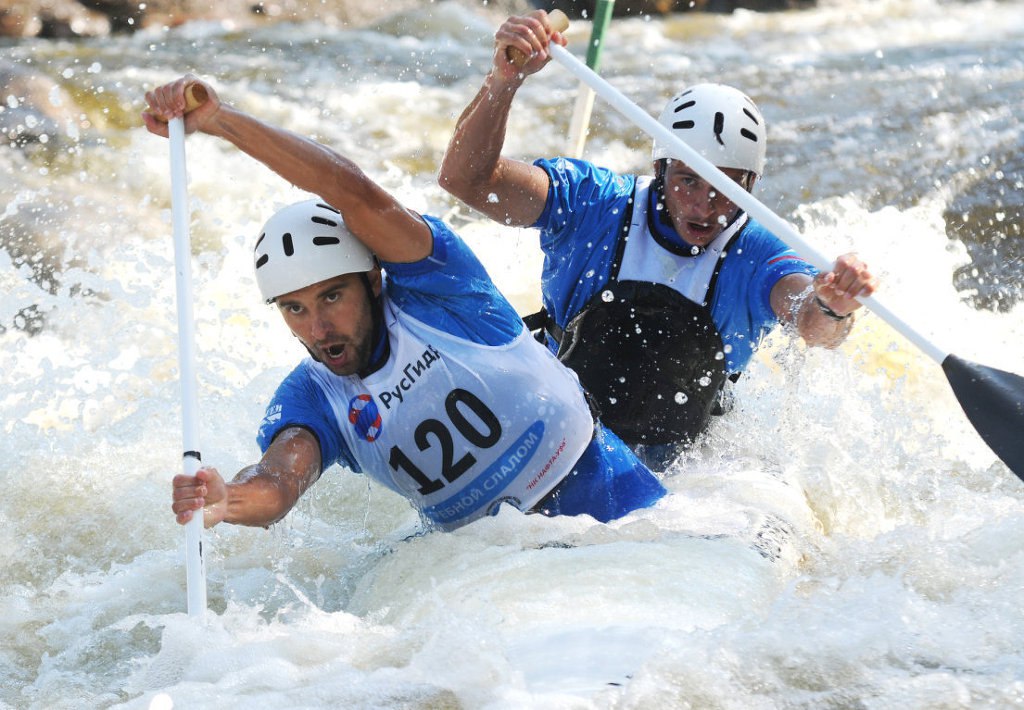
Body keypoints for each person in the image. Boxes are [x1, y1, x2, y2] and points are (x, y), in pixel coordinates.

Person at [142, 75, 666, 533]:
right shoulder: (314, 396)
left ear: (372, 280)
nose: (319, 327)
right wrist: (227, 500)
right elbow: (278, 481)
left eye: (331, 296)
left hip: (619, 513)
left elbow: (353, 193)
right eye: (294, 309)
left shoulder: (438, 285)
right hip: (497, 567)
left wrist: (221, 120)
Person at [438, 11, 879, 469]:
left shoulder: (756, 252)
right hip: (559, 434)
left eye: (725, 190)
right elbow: (465, 179)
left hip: (684, 469)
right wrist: (504, 80)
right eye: (688, 181)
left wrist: (834, 303)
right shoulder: (592, 206)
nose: (704, 206)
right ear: (659, 170)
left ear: (751, 187)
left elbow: (813, 324)